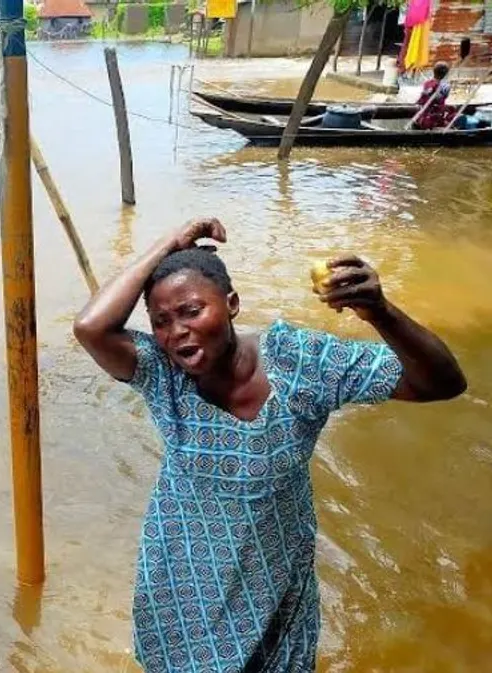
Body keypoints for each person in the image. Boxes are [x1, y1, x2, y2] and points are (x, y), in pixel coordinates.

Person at [72, 218, 467, 673]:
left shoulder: (301, 363)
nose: (176, 331)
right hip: (183, 580)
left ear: (233, 304)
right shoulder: (163, 375)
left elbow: (443, 382)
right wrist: (169, 243)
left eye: (192, 310)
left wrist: (380, 312)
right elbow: (91, 327)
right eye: (161, 321)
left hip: (273, 579)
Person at [414, 61, 454, 130]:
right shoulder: (446, 86)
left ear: (433, 71)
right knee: (452, 113)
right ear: (446, 74)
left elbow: (423, 98)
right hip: (436, 116)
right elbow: (443, 98)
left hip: (424, 115)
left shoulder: (427, 83)